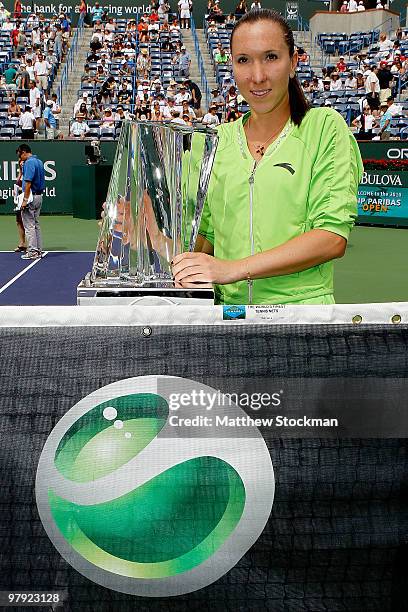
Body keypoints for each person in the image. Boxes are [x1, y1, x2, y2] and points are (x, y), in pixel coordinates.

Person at [172, 9, 363, 305]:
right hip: (225, 322)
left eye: (271, 57)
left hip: (300, 323)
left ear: (293, 62)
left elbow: (330, 237)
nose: (257, 76)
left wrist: (233, 269)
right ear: (232, 66)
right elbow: (205, 243)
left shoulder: (324, 128)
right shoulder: (214, 142)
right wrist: (149, 231)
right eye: (243, 60)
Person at [16, 144, 45, 260]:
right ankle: (38, 250)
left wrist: (25, 200)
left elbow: (28, 183)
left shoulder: (29, 163)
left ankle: (33, 251)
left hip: (31, 197)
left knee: (29, 225)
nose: (19, 157)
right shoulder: (39, 161)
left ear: (24, 152)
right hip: (39, 197)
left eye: (19, 154)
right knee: (36, 224)